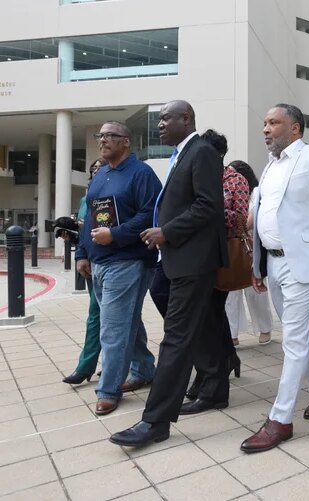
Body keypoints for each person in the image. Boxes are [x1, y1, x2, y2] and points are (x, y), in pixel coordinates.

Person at [109, 100, 228, 446]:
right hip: (180, 257)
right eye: (159, 119)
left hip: (194, 260)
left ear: (186, 118)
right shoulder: (182, 153)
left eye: (165, 118)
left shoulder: (201, 151)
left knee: (175, 338)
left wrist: (167, 231)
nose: (159, 124)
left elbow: (208, 205)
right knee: (206, 325)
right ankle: (216, 389)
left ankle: (155, 421)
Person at [240, 103, 309, 453]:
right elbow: (264, 218)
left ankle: (280, 419)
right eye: (264, 123)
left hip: (305, 262)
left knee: (294, 338)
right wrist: (258, 265)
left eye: (273, 122)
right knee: (300, 334)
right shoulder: (270, 167)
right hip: (273, 264)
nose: (266, 129)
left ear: (296, 128)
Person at [76, 122, 161, 416]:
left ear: (126, 142)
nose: (102, 141)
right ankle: (144, 369)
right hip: (98, 262)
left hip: (128, 261)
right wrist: (82, 252)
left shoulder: (142, 174)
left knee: (112, 328)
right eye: (100, 136)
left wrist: (117, 234)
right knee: (127, 322)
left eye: (109, 136)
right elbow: (89, 219)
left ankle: (108, 389)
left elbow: (151, 214)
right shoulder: (100, 175)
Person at [181, 129, 245, 408]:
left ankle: (213, 376)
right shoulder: (195, 174)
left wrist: (210, 209)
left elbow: (242, 218)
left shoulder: (235, 180)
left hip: (223, 254)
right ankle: (221, 363)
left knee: (210, 315)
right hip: (196, 253)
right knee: (209, 317)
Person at [63, 158, 104, 385]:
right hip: (90, 260)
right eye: (93, 169)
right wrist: (79, 253)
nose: (96, 170)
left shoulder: (115, 190)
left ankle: (90, 366)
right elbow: (83, 228)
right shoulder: (85, 198)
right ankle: (91, 365)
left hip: (112, 260)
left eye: (101, 167)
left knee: (102, 315)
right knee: (98, 314)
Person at [224, 159, 273, 347]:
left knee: (256, 291)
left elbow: (248, 221)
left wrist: (233, 222)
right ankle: (232, 333)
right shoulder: (227, 190)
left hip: (252, 247)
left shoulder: (256, 194)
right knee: (231, 293)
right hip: (232, 246)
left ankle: (265, 328)